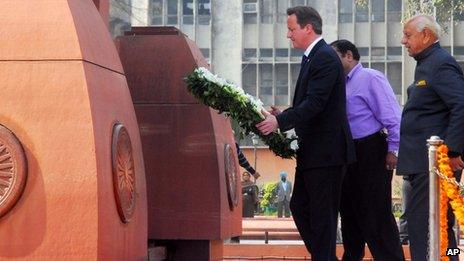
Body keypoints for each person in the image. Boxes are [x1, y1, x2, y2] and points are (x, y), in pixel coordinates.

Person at [256, 6, 355, 260]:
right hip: (314, 153)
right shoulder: (313, 56)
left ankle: (324, 256)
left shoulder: (323, 56)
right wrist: (283, 114)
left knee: (322, 219)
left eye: (292, 29)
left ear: (308, 28)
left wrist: (279, 121)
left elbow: (315, 104)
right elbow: (310, 103)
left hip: (327, 154)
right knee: (300, 207)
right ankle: (325, 256)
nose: (288, 35)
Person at [330, 39, 405, 261]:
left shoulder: (370, 78)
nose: (330, 60)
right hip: (346, 153)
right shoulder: (337, 84)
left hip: (370, 150)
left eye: (334, 55)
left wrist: (393, 150)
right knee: (349, 212)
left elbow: (393, 118)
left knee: (375, 214)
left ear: (349, 55)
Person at [398, 14, 464, 261]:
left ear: (426, 35)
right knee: (441, 224)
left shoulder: (440, 63)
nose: (404, 41)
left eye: (408, 35)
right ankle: (453, 258)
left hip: (436, 164)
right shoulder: (426, 64)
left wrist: (454, 151)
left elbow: (461, 105)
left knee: (424, 226)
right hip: (423, 165)